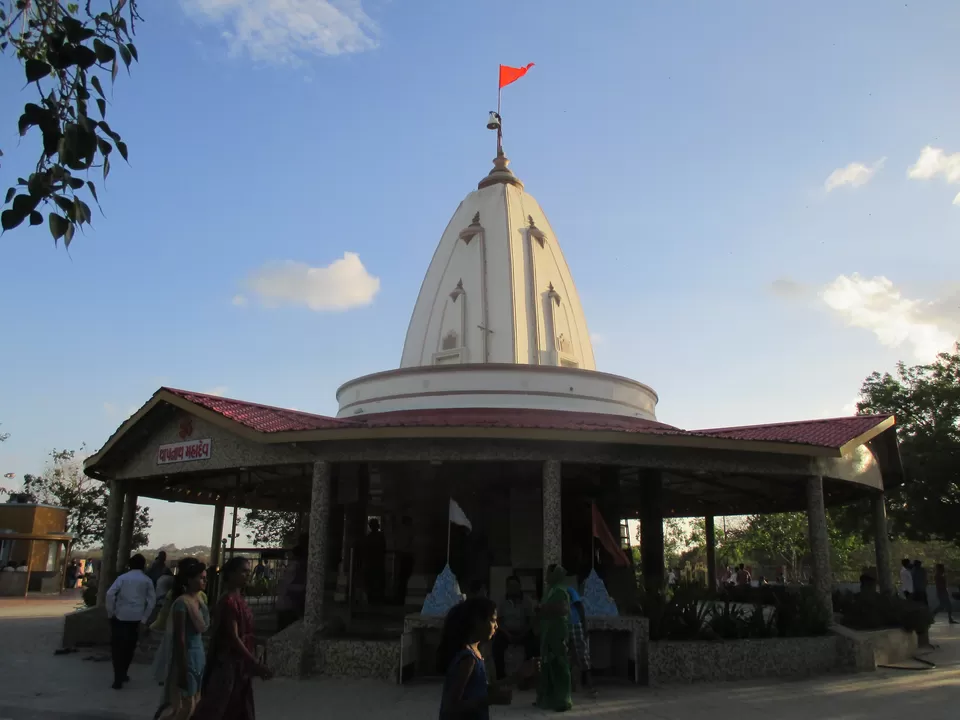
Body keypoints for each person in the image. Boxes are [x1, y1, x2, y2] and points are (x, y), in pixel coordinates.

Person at [193, 557, 271, 720]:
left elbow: (244, 633)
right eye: (243, 572)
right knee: (218, 708)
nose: (247, 575)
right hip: (229, 665)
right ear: (231, 574)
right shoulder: (228, 602)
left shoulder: (239, 600)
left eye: (248, 572)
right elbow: (233, 638)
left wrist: (257, 641)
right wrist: (254, 663)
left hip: (240, 666)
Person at [436, 596, 538, 719]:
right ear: (477, 621)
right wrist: (487, 700)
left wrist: (518, 676)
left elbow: (484, 688)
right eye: (493, 620)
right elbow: (451, 708)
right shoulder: (468, 660)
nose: (496, 626)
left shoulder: (477, 653)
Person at [156, 558, 209, 720]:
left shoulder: (199, 600)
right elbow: (180, 638)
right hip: (186, 657)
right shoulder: (182, 603)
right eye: (200, 578)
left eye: (205, 578)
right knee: (185, 706)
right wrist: (182, 668)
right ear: (188, 579)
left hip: (198, 655)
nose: (204, 581)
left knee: (196, 701)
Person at [105, 553, 157, 690]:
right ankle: (124, 673)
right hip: (136, 618)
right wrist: (145, 618)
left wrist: (111, 612)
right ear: (144, 565)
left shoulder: (122, 578)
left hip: (120, 616)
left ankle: (117, 677)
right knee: (129, 647)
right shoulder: (147, 580)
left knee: (117, 648)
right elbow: (152, 601)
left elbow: (110, 594)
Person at [536, 564, 573, 712]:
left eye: (549, 573)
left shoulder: (561, 591)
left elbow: (563, 609)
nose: (546, 575)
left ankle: (563, 700)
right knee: (546, 664)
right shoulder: (549, 591)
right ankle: (547, 698)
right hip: (547, 632)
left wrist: (543, 608)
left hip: (558, 632)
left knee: (559, 664)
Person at [493, 576, 537, 682]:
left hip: (523, 631)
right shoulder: (502, 601)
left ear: (520, 587)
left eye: (515, 586)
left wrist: (522, 634)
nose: (513, 588)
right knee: (496, 646)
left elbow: (531, 621)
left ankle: (528, 678)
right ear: (507, 587)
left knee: (534, 646)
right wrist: (507, 634)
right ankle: (501, 678)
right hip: (506, 632)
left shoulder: (527, 601)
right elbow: (498, 621)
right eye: (511, 586)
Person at [275, 538, 307, 631]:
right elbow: (288, 586)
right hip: (288, 606)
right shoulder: (295, 567)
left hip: (287, 606)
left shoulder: (294, 567)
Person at [362, 518, 387, 606]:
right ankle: (376, 599)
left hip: (372, 563)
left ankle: (373, 599)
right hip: (376, 563)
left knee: (373, 582)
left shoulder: (369, 538)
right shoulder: (379, 537)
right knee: (376, 582)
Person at [395, 515, 414, 606]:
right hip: (406, 555)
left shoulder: (402, 531)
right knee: (404, 578)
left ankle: (400, 598)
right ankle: (401, 598)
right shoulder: (408, 531)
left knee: (402, 578)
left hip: (403, 555)